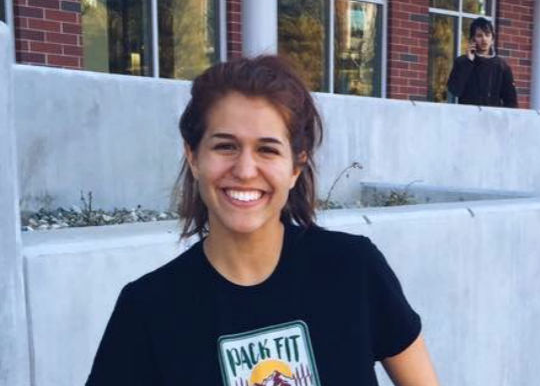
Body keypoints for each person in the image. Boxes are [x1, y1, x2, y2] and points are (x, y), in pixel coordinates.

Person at [87, 56, 439, 386]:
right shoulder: (148, 309)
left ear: (295, 167)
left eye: (267, 149)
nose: (244, 170)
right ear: (193, 157)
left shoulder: (354, 269)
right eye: (225, 146)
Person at [445, 17, 518, 108]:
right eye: (479, 35)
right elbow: (454, 91)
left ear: (492, 39)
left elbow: (511, 101)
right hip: (467, 118)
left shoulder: (502, 66)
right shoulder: (462, 62)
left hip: (492, 118)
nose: (484, 39)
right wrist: (468, 62)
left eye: (487, 35)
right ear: (472, 39)